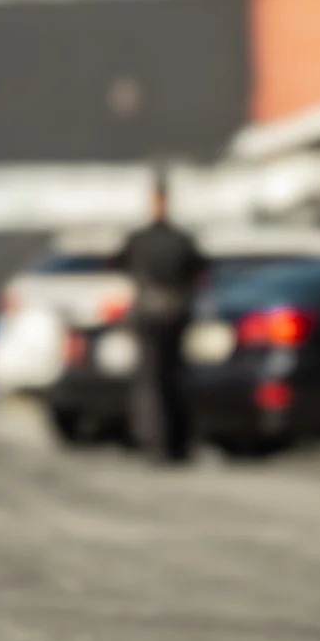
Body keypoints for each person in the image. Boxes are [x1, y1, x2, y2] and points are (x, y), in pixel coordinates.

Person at [115, 173, 207, 463]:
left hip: (149, 316)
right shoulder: (182, 239)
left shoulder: (139, 239)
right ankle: (175, 443)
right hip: (176, 313)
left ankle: (154, 441)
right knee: (173, 378)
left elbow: (119, 266)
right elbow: (201, 272)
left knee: (150, 382)